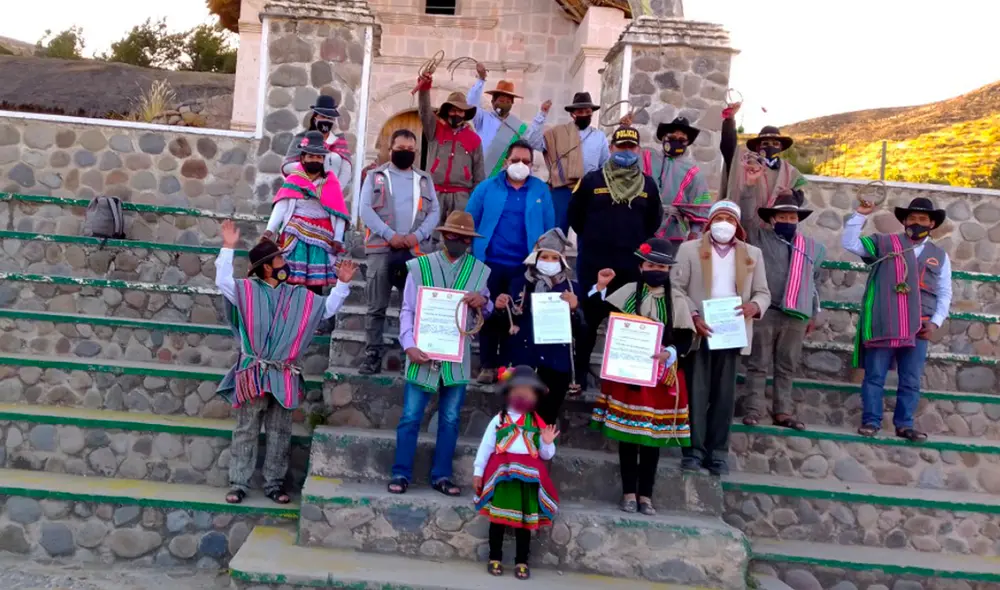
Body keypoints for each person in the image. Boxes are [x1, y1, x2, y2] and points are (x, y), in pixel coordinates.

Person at [215, 220, 356, 505]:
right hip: (253, 370)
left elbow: (326, 310)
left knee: (280, 430)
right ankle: (239, 482)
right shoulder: (246, 291)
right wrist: (228, 247)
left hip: (284, 374)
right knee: (247, 427)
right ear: (267, 266)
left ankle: (274, 484)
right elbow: (222, 282)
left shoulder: (298, 296)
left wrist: (342, 284)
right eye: (280, 258)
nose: (285, 262)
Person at [390, 211, 493, 497]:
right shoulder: (420, 266)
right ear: (443, 236)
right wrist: (408, 344)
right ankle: (401, 472)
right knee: (411, 415)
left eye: (463, 238)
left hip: (456, 355)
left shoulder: (478, 271)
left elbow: (488, 310)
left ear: (470, 241)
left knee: (450, 418)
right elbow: (408, 309)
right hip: (421, 350)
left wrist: (482, 302)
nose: (457, 241)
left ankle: (442, 475)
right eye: (452, 236)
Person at [587, 238, 691, 515]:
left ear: (669, 270)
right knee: (628, 438)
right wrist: (600, 287)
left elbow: (686, 339)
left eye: (661, 265)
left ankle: (646, 495)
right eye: (650, 264)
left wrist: (668, 352)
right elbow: (597, 313)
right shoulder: (629, 293)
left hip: (660, 377)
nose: (655, 269)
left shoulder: (677, 299)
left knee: (650, 439)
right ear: (641, 266)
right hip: (628, 375)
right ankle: (629, 493)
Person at [672, 201, 770, 476]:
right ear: (709, 222)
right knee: (696, 393)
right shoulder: (689, 249)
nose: (724, 223)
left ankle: (717, 453)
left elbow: (763, 292)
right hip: (700, 330)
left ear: (737, 225)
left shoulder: (752, 254)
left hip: (731, 332)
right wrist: (692, 316)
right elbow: (677, 288)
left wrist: (755, 306)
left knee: (724, 397)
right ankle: (693, 451)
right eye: (719, 217)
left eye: (729, 218)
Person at [841, 197, 952, 442]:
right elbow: (849, 243)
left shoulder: (940, 257)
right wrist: (860, 214)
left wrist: (935, 322)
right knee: (875, 375)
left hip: (919, 326)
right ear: (903, 221)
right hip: (887, 322)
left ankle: (904, 424)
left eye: (923, 219)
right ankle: (871, 421)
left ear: (932, 224)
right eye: (912, 218)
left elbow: (944, 293)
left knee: (911, 379)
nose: (917, 222)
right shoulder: (884, 243)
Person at [570, 125, 662, 386]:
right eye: (620, 147)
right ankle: (579, 376)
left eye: (631, 147)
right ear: (611, 149)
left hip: (630, 269)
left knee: (627, 324)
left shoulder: (648, 185)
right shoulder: (592, 180)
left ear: (638, 150)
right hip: (593, 266)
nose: (625, 151)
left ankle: (623, 380)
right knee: (587, 322)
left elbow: (653, 222)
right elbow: (575, 217)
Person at [739, 176, 825, 431]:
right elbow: (744, 219)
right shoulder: (758, 238)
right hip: (766, 311)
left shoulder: (812, 248)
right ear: (772, 219)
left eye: (792, 217)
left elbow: (815, 283)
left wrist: (813, 314)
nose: (788, 221)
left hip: (796, 315)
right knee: (758, 363)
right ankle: (754, 409)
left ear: (798, 220)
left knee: (787, 364)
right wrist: (750, 186)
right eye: (783, 217)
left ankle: (783, 411)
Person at [466, 140, 556, 383]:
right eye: (516, 160)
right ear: (506, 161)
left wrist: (546, 261)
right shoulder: (486, 188)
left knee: (515, 314)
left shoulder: (540, 190)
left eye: (526, 162)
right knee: (487, 311)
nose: (521, 165)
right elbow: (470, 220)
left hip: (525, 266)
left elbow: (549, 228)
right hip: (489, 262)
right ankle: (486, 365)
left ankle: (506, 367)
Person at [357, 129, 441, 375]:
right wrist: (389, 235)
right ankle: (372, 354)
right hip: (382, 249)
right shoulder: (375, 176)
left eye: (410, 149)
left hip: (414, 252)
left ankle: (413, 353)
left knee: (415, 306)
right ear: (390, 149)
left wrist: (417, 235)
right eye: (401, 148)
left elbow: (434, 212)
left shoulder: (424, 179)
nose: (405, 153)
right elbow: (365, 210)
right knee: (376, 305)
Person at [474, 365, 559, 581]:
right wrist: (478, 472)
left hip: (527, 482)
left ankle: (522, 561)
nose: (522, 394)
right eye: (517, 389)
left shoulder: (537, 423)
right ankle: (495, 557)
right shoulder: (499, 420)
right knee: (498, 521)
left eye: (528, 391)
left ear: (535, 396)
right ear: (508, 393)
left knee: (524, 524)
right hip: (503, 478)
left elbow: (546, 455)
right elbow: (486, 447)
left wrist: (548, 443)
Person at [497, 228, 583, 424]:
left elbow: (582, 330)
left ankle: (542, 454)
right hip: (525, 360)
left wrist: (575, 308)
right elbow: (506, 325)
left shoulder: (572, 289)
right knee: (515, 420)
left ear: (562, 260)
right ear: (536, 257)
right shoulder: (519, 284)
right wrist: (501, 308)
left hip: (556, 365)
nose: (550, 262)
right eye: (545, 257)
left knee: (546, 422)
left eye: (555, 258)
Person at [264, 131, 351, 294]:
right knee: (288, 280)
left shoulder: (331, 183)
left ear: (323, 159)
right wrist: (269, 231)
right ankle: (287, 314)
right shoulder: (293, 180)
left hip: (321, 238)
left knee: (315, 287)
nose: (315, 160)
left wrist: (338, 238)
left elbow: (339, 213)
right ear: (303, 158)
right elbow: (281, 206)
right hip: (295, 235)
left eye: (319, 157)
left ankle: (311, 316)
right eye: (311, 156)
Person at [416, 69, 486, 221]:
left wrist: (474, 202)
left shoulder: (474, 139)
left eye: (460, 111)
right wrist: (425, 88)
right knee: (430, 234)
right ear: (447, 112)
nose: (456, 114)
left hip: (462, 197)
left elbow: (479, 175)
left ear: (465, 114)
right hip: (434, 192)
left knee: (456, 238)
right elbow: (424, 111)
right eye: (453, 110)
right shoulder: (434, 129)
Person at [541, 92, 610, 233]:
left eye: (587, 111)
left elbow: (605, 164)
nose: (584, 114)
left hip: (589, 190)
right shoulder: (558, 133)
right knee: (556, 232)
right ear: (572, 114)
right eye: (580, 111)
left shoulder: (599, 136)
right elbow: (533, 142)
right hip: (562, 189)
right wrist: (542, 115)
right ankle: (554, 256)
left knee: (589, 233)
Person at [466, 62, 551, 177]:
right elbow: (470, 104)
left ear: (512, 104)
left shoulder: (517, 127)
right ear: (493, 101)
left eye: (508, 101)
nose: (504, 103)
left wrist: (542, 114)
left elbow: (534, 142)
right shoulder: (483, 118)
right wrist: (481, 79)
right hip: (480, 174)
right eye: (501, 100)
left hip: (504, 179)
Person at [719, 102, 807, 208]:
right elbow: (728, 146)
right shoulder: (743, 162)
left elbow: (800, 197)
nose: (770, 146)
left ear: (781, 148)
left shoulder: (791, 172)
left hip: (771, 223)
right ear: (757, 147)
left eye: (775, 144)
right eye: (765, 143)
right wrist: (730, 120)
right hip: (742, 220)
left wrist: (791, 194)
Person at [645, 117, 713, 252]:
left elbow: (700, 209)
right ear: (664, 137)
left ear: (687, 143)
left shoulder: (693, 172)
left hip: (674, 231)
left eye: (681, 139)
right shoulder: (647, 158)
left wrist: (694, 235)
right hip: (644, 225)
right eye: (672, 137)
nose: (676, 141)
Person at [283, 95, 353, 191]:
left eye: (330, 118)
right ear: (315, 117)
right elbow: (287, 167)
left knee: (333, 157)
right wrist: (310, 166)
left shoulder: (338, 141)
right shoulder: (301, 138)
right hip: (303, 188)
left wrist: (335, 192)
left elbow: (346, 171)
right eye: (323, 116)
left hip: (329, 192)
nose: (326, 121)